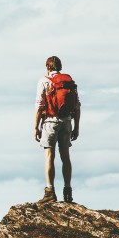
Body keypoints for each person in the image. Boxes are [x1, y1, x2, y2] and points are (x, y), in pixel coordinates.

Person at [35, 55, 81, 203]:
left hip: (50, 122)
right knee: (65, 157)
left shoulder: (44, 81)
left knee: (50, 156)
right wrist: (76, 127)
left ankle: (50, 192)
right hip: (67, 122)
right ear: (60, 67)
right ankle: (67, 191)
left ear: (48, 67)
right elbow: (77, 107)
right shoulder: (69, 83)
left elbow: (39, 106)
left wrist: (36, 127)